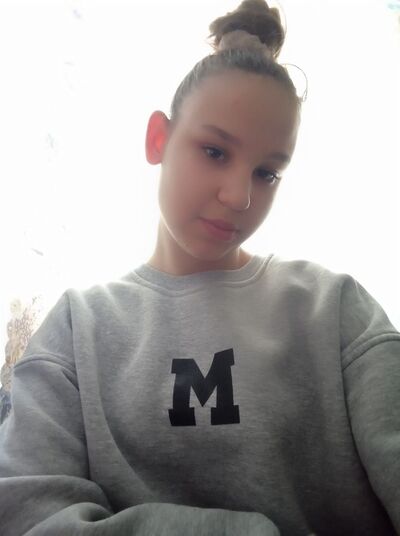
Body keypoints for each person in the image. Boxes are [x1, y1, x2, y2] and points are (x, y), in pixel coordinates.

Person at [0, 0, 399, 534]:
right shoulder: (77, 329)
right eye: (215, 151)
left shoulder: (337, 310)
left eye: (267, 173)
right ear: (158, 139)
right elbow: (29, 514)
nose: (239, 196)